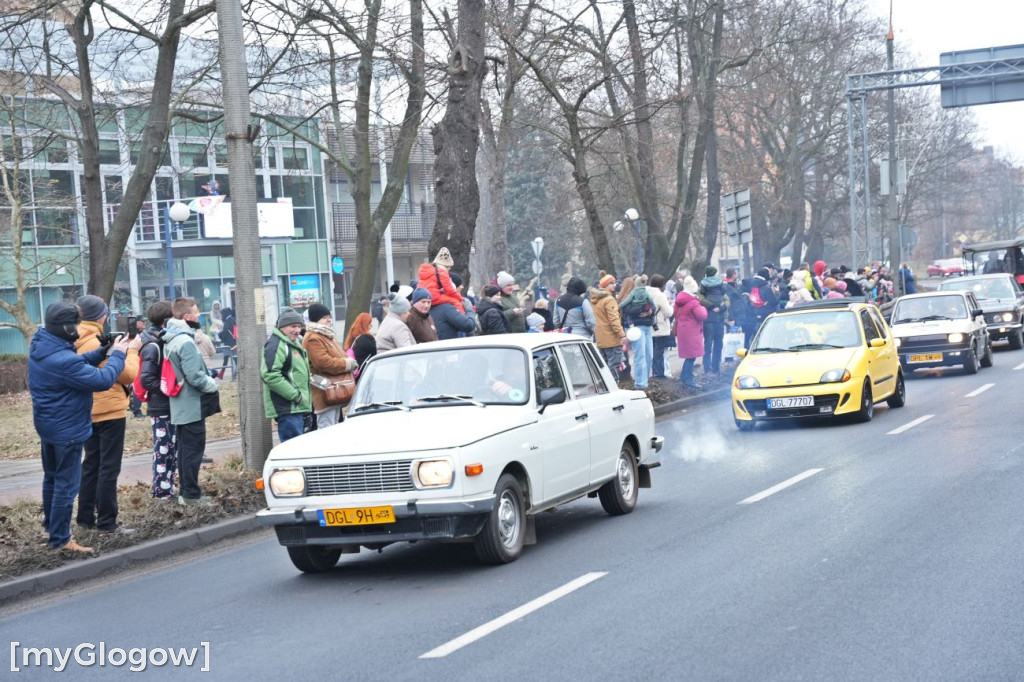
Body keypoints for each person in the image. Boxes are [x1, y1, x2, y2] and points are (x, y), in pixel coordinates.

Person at [29, 302, 135, 552]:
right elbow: (103, 379)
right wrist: (119, 354)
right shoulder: (63, 360)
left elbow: (77, 362)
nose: (78, 327)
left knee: (52, 479)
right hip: (67, 429)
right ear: (66, 327)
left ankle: (51, 527)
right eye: (75, 324)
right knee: (67, 484)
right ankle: (61, 540)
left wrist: (102, 352)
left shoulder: (42, 346)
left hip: (49, 425)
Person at [72, 294, 141, 535]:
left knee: (90, 465)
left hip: (86, 412)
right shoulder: (96, 343)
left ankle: (85, 518)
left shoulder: (74, 338)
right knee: (108, 468)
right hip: (110, 412)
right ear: (101, 316)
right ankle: (107, 522)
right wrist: (131, 350)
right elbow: (127, 375)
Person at [164, 297, 220, 506]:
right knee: (193, 452)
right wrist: (212, 384)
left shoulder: (173, 338)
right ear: (187, 316)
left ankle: (187, 493)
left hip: (181, 405)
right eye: (196, 312)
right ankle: (191, 495)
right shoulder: (186, 342)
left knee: (185, 450)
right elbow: (194, 376)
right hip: (191, 405)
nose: (198, 315)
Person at [138, 300, 178, 500]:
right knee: (163, 450)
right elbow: (146, 379)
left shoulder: (159, 340)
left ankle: (166, 488)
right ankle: (162, 492)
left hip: (165, 404)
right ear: (166, 320)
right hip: (160, 406)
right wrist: (168, 391)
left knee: (170, 449)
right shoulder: (153, 345)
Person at [260, 307, 312, 443]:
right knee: (293, 452)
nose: (297, 330)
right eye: (293, 326)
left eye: (299, 326)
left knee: (299, 450)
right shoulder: (276, 345)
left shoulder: (292, 343)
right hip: (288, 408)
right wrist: (296, 396)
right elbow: (270, 375)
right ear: (282, 327)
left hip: (296, 407)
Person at [302, 303, 358, 429]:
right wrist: (346, 364)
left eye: (329, 316)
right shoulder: (313, 338)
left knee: (334, 429)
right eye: (325, 317)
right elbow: (323, 363)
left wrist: (348, 360)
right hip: (325, 391)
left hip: (334, 390)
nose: (329, 319)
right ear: (316, 319)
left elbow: (340, 355)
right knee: (326, 430)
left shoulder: (326, 335)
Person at [420, 248, 475, 340]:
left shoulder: (427, 274)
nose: (461, 287)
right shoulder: (446, 308)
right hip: (448, 348)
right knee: (455, 301)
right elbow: (467, 325)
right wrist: (463, 304)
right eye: (448, 266)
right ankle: (461, 314)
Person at [591, 274, 628, 379]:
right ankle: (614, 388)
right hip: (612, 338)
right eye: (611, 283)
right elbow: (614, 320)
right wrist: (622, 335)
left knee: (605, 367)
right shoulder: (609, 299)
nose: (614, 285)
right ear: (605, 286)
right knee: (614, 367)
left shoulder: (595, 300)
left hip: (601, 338)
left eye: (614, 282)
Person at [620, 278, 655, 389]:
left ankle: (644, 381)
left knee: (649, 355)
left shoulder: (643, 294)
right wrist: (643, 309)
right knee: (640, 356)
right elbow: (628, 310)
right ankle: (640, 384)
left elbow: (653, 306)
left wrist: (650, 310)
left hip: (646, 326)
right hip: (635, 328)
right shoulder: (628, 298)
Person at [675, 276, 708, 388]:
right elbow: (702, 316)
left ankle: (684, 377)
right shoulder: (694, 302)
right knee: (691, 356)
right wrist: (703, 307)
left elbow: (675, 313)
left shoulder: (679, 299)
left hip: (682, 329)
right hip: (692, 331)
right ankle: (689, 379)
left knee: (689, 355)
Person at [697, 266, 729, 376]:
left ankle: (707, 369)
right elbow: (725, 293)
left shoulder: (703, 284)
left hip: (708, 319)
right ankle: (716, 368)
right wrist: (720, 307)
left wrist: (711, 306)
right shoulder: (720, 282)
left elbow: (701, 298)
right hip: (719, 319)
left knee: (707, 345)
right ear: (714, 273)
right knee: (718, 344)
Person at [647, 274, 675, 379]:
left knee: (653, 351)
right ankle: (659, 374)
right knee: (660, 352)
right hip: (660, 327)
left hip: (650, 327)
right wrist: (671, 306)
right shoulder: (660, 295)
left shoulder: (646, 293)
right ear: (661, 284)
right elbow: (668, 312)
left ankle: (654, 372)